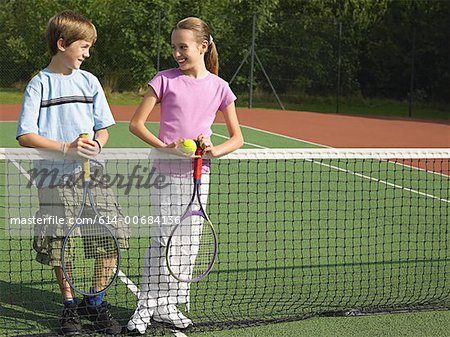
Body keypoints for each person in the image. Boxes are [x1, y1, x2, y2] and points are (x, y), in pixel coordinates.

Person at [127, 17, 243, 333]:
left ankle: (168, 305)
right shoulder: (164, 80)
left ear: (203, 47)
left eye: (184, 47)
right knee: (163, 240)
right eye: (175, 47)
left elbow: (237, 138)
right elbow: (136, 124)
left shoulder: (221, 88)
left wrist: (212, 150)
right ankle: (145, 307)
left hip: (199, 175)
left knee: (188, 242)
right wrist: (167, 146)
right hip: (165, 175)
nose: (178, 53)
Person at [16, 10, 127, 336]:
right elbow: (26, 136)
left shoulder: (90, 81)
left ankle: (94, 301)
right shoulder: (39, 84)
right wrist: (66, 149)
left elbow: (103, 129)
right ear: (62, 44)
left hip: (95, 174)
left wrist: (96, 144)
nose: (87, 53)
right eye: (83, 46)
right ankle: (68, 307)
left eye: (90, 47)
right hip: (54, 177)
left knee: (111, 238)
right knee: (60, 244)